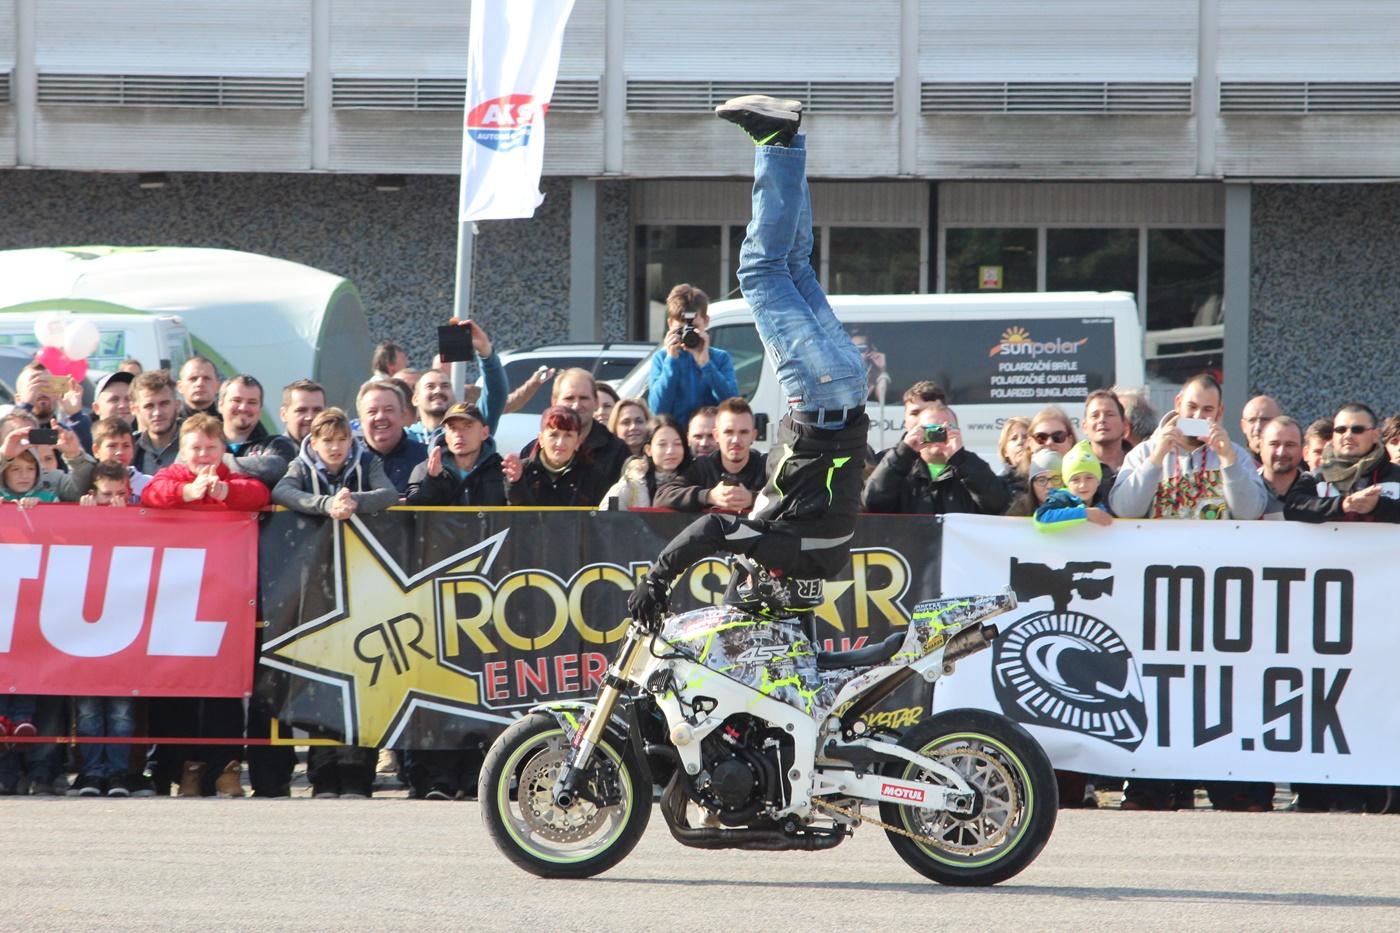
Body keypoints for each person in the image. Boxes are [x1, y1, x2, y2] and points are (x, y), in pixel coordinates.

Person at [630, 96, 871, 625]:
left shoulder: (821, 559)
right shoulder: (786, 551)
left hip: (847, 393)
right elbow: (714, 528)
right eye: (747, 577)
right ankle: (773, 140)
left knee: (793, 266)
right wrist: (658, 580)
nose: (744, 572)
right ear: (773, 581)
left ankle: (788, 144)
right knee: (759, 272)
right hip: (820, 398)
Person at [1107, 373, 1269, 812]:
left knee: (1218, 691)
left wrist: (1226, 459)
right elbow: (1123, 508)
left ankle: (1228, 787)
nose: (1198, 416)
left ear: (1220, 414)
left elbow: (1251, 511)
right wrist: (1158, 454)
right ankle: (1151, 786)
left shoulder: (1235, 455)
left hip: (1217, 598)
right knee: (1155, 689)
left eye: (1207, 410)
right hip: (1156, 597)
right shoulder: (1144, 451)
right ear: (1178, 403)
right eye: (1192, 407)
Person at [142, 415, 269, 797]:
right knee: (176, 690)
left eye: (211, 448)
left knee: (223, 691)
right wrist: (187, 493)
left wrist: (224, 492)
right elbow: (152, 493)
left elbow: (258, 494)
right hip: (175, 603)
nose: (203, 455)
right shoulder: (172, 477)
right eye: (195, 448)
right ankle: (187, 770)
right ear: (183, 451)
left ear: (223, 450)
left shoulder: (233, 479)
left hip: (224, 603)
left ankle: (225, 767)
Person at [862, 402, 1008, 516]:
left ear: (957, 431)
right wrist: (904, 452)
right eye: (931, 429)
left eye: (945, 429)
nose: (938, 434)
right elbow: (872, 502)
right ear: (917, 431)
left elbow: (998, 503)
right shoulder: (900, 467)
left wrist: (961, 459)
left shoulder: (970, 468)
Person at [653, 397, 766, 512]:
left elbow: (779, 496)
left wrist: (753, 499)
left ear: (753, 436)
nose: (736, 440)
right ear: (716, 435)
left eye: (743, 432)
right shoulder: (702, 467)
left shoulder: (767, 466)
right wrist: (708, 496)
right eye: (728, 432)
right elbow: (661, 497)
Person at [520, 369, 631, 486]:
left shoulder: (617, 451)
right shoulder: (532, 451)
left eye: (584, 398)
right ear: (554, 401)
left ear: (596, 402)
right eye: (569, 398)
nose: (576, 405)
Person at [646, 284, 738, 425]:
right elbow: (657, 409)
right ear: (670, 324)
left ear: (706, 321)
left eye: (694, 328)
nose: (687, 334)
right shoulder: (661, 359)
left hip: (709, 434)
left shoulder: (720, 359)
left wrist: (706, 364)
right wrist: (671, 361)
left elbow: (732, 405)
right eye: (681, 330)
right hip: (676, 435)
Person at [503, 406, 612, 507]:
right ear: (541, 439)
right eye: (554, 435)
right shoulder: (522, 471)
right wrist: (515, 483)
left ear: (578, 441)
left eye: (568, 435)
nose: (560, 443)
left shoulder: (593, 476)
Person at [406, 402, 506, 507]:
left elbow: (515, 507)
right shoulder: (424, 470)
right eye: (452, 428)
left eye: (467, 426)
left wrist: (515, 484)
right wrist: (432, 480)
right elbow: (412, 510)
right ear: (445, 435)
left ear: (484, 433)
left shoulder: (502, 469)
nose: (458, 434)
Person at [601, 415, 691, 511]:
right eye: (662, 444)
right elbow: (605, 516)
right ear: (648, 450)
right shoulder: (632, 484)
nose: (670, 451)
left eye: (677, 444)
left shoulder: (694, 479)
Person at [0, 411, 94, 501]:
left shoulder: (52, 479)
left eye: (28, 435)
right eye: (13, 435)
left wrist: (75, 456)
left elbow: (80, 493)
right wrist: (4, 456)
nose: (21, 440)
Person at [356, 380, 427, 495]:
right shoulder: (349, 462)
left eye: (389, 410)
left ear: (403, 416)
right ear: (360, 421)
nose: (380, 416)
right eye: (372, 411)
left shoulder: (427, 458)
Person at [1033, 441, 1113, 531]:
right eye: (1075, 479)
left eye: (1089, 477)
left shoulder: (1105, 500)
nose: (1082, 485)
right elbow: (1041, 518)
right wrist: (1085, 513)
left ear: (1098, 481)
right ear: (1067, 483)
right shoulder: (1061, 498)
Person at [219, 374, 291, 461]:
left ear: (260, 410)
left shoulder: (276, 446)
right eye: (237, 400)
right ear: (221, 405)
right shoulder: (205, 443)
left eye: (252, 402)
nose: (243, 408)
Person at [87, 417, 151, 502]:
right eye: (112, 446)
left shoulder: (149, 484)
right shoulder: (84, 481)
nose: (120, 452)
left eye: (126, 446)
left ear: (133, 450)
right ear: (96, 450)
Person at [130, 370, 182, 474]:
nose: (157, 412)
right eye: (149, 406)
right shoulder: (129, 450)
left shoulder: (199, 444)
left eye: (164, 404)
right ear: (135, 409)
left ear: (177, 405)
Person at [1083, 389, 1131, 473]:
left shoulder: (1139, 461)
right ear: (1084, 426)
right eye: (1095, 416)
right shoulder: (1073, 465)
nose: (1101, 420)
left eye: (1110, 415)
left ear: (1124, 424)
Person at [274, 379, 327, 454]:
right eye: (301, 410)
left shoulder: (338, 454)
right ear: (284, 414)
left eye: (317, 410)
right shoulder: (275, 455)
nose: (310, 417)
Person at [849, 327, 892, 404]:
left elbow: (882, 400)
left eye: (861, 349)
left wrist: (882, 371)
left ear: (871, 350)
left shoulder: (877, 379)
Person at [1239, 395, 1282, 464]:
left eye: (1265, 419)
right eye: (1252, 420)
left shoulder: (1293, 463)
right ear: (1243, 426)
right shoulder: (1236, 464)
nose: (1258, 427)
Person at [176, 357, 221, 421]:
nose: (200, 383)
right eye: (193, 378)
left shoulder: (227, 422)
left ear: (217, 386)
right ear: (180, 386)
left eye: (206, 378)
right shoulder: (169, 423)